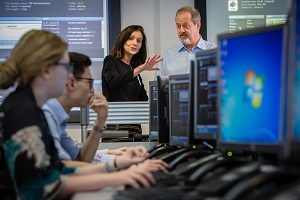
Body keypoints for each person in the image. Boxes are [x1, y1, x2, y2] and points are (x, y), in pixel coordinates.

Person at [0, 30, 167, 199]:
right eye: (65, 68)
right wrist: (117, 176)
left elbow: (59, 169)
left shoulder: (29, 107)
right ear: (46, 71)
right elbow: (45, 187)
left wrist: (116, 165)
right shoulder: (24, 113)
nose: (69, 77)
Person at [42, 52, 127, 166]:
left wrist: (100, 120)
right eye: (89, 83)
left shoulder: (57, 117)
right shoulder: (45, 115)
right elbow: (61, 168)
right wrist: (115, 165)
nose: (92, 90)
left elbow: (81, 159)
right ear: (71, 82)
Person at [102, 25, 163, 136]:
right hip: (115, 127)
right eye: (131, 38)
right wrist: (140, 69)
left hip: (134, 128)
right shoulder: (110, 61)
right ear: (122, 39)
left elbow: (143, 99)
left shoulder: (133, 68)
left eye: (139, 41)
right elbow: (114, 81)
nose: (135, 43)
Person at [156, 6, 217, 77]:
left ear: (197, 26)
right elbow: (157, 86)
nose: (181, 30)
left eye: (186, 26)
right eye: (178, 26)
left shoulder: (214, 51)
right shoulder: (168, 55)